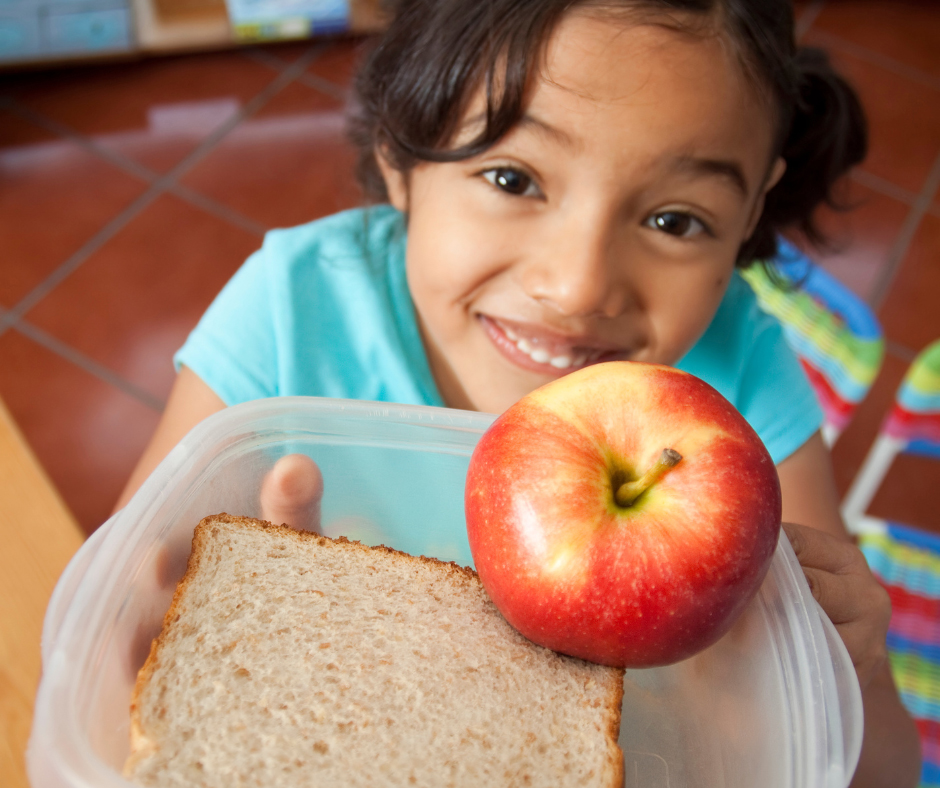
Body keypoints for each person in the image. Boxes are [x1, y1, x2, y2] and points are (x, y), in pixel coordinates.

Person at [115, 1, 921, 784]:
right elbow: (115, 619)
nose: (577, 287)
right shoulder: (292, 308)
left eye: (675, 221)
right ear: (402, 156)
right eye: (512, 177)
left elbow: (868, 769)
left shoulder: (739, 377)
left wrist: (856, 676)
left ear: (750, 212)